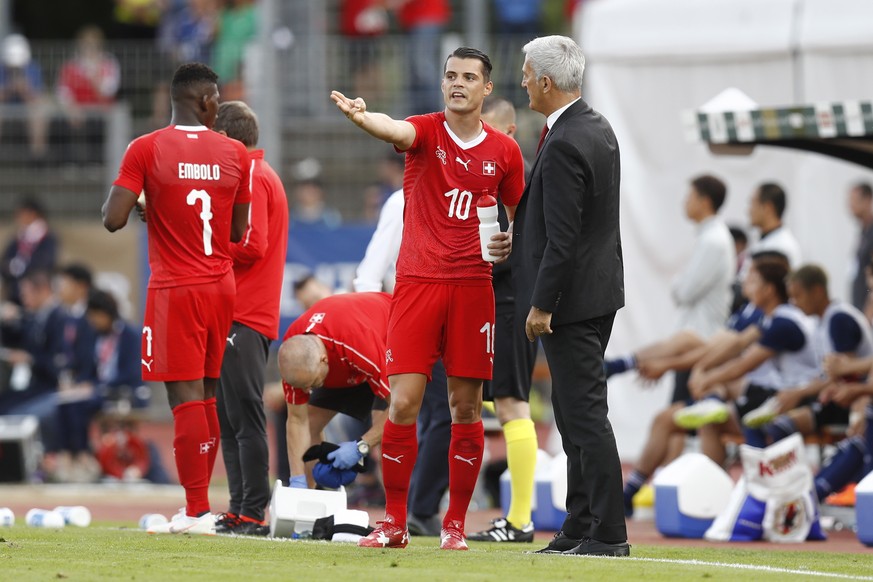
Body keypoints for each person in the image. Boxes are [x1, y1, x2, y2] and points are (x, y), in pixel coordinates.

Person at [331, 45, 525, 550]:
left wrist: (510, 242)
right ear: (443, 84)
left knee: (466, 409)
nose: (457, 83)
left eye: (468, 77)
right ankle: (394, 523)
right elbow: (395, 129)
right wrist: (362, 117)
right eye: (450, 76)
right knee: (402, 403)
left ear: (486, 88)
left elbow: (522, 214)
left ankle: (454, 526)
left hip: (473, 290)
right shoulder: (427, 130)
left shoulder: (504, 152)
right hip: (416, 285)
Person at [101, 62, 251, 535]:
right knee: (206, 396)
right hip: (221, 285)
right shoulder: (235, 153)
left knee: (184, 400)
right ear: (205, 101)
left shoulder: (145, 148)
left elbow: (112, 218)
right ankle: (201, 511)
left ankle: (195, 512)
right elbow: (237, 231)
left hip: (176, 286)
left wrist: (149, 203)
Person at [513, 35, 629, 557]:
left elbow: (565, 237)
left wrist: (542, 303)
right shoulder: (596, 126)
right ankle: (580, 523)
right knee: (570, 412)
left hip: (571, 302)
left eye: (524, 72)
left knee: (582, 415)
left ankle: (607, 532)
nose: (521, 81)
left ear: (544, 81)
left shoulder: (562, 141)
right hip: (597, 293)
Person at [352, 185, 451, 537]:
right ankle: (406, 509)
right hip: (411, 319)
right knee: (405, 409)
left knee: (453, 413)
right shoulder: (404, 198)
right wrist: (376, 327)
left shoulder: (467, 187)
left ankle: (422, 508)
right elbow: (370, 271)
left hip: (453, 317)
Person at [211, 100, 289, 536]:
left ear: (225, 139)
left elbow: (252, 244)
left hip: (247, 312)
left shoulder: (254, 177)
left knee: (245, 414)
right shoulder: (251, 176)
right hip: (235, 312)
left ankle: (254, 511)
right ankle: (239, 506)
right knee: (230, 416)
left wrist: (209, 243)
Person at [468, 95, 538, 544]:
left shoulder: (518, 182)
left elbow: (520, 251)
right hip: (490, 304)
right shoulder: (486, 178)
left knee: (512, 403)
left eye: (488, 130)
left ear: (509, 133)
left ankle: (520, 520)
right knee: (480, 402)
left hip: (511, 304)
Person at [605, 174, 735, 402]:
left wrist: (678, 281)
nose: (685, 202)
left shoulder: (713, 241)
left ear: (704, 202)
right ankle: (623, 363)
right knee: (677, 418)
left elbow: (683, 291)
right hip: (694, 336)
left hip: (702, 338)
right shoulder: (710, 237)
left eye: (690, 197)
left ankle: (623, 364)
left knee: (679, 418)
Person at [277, 292, 392, 490]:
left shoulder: (359, 344)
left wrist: (360, 447)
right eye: (303, 386)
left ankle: (397, 513)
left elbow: (399, 408)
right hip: (342, 362)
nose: (308, 390)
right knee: (310, 422)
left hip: (387, 342)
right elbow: (297, 421)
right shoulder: (293, 354)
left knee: (388, 443)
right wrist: (297, 479)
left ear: (323, 361)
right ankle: (310, 499)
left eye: (311, 383)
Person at [55, 25, 121, 164]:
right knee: (63, 121)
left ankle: (96, 163)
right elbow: (62, 91)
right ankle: (69, 163)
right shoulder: (71, 65)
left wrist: (93, 75)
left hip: (101, 109)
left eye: (92, 44)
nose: (88, 48)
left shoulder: (109, 64)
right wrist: (71, 108)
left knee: (97, 124)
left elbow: (108, 92)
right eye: (85, 44)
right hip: (77, 110)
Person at [1, 198, 58, 307]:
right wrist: (12, 267)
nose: (18, 218)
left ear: (32, 213)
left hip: (36, 294)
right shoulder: (17, 237)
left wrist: (21, 268)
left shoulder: (47, 237)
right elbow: (4, 262)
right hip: (14, 294)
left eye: (21, 213)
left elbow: (46, 263)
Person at [849, 182, 873, 311]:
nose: (850, 205)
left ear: (868, 200)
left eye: (855, 200)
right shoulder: (863, 232)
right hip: (858, 307)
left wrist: (869, 313)